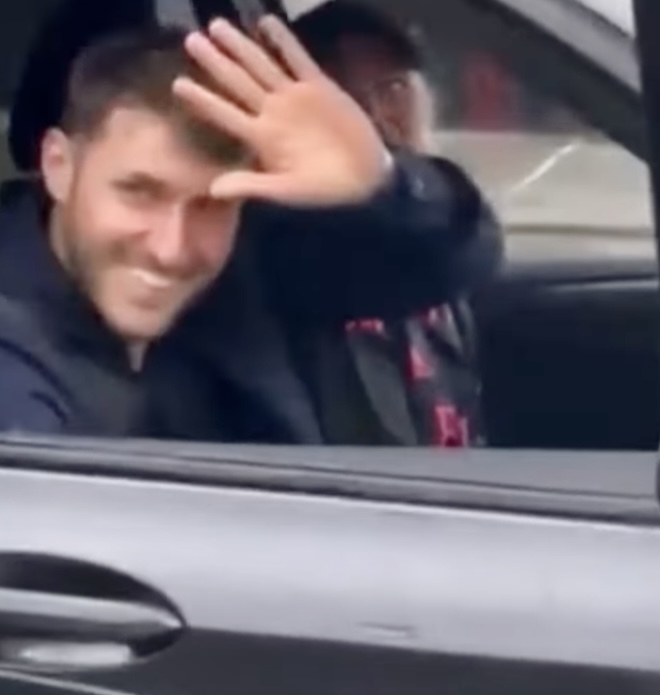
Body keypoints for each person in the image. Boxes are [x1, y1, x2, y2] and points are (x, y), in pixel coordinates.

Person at [0, 15, 501, 442]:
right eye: (139, 192)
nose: (171, 249)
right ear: (58, 166)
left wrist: (383, 182)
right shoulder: (17, 352)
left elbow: (451, 261)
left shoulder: (250, 256)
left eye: (213, 204)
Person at [293, 2, 486, 448]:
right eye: (342, 103)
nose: (374, 120)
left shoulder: (438, 233)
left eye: (394, 89)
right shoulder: (292, 250)